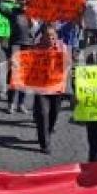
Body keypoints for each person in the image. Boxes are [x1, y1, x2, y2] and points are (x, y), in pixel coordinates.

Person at [31, 25, 68, 154]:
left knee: (54, 114)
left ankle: (48, 130)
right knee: (42, 114)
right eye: (48, 36)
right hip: (41, 88)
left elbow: (67, 65)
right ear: (43, 37)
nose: (51, 38)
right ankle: (44, 144)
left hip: (57, 87)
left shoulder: (62, 47)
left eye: (53, 36)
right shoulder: (36, 49)